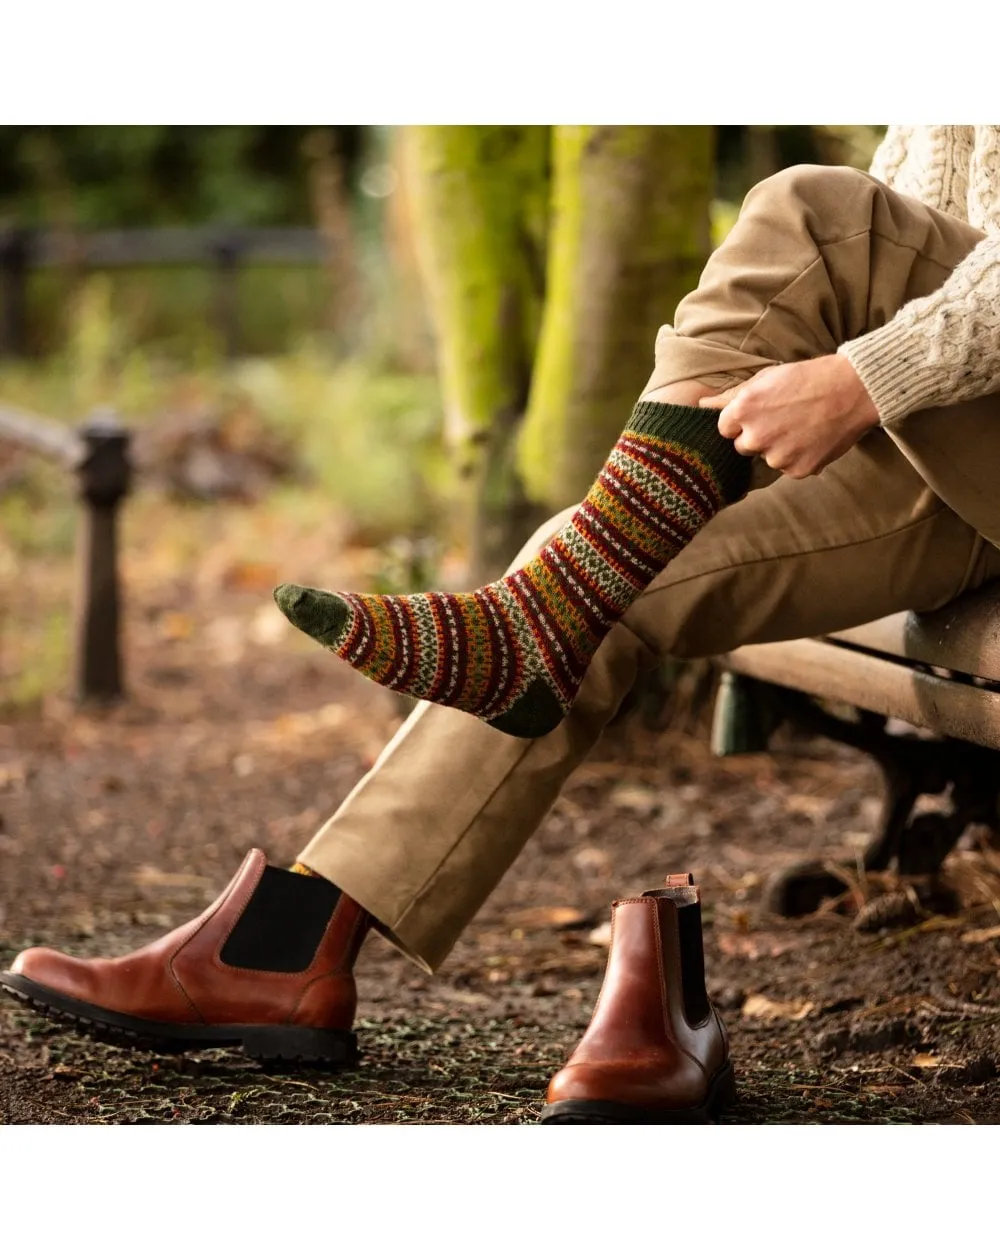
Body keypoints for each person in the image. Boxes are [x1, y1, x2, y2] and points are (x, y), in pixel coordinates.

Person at [5, 126, 1000, 1117]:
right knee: (594, 569)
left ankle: (526, 625)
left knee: (815, 213)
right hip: (960, 450)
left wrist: (869, 375)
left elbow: (869, 241)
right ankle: (289, 945)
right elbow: (923, 219)